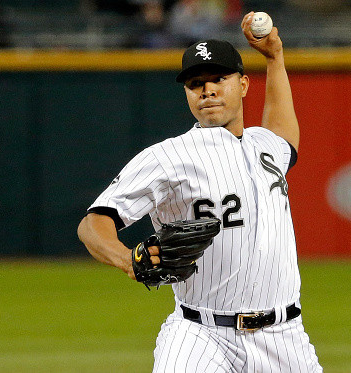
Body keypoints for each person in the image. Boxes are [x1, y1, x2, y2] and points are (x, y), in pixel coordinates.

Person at [78, 11, 322, 372]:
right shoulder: (167, 157)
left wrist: (275, 58)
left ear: (242, 85)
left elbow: (285, 134)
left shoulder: (265, 146)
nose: (207, 89)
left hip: (285, 337)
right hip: (201, 335)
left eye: (218, 79)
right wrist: (126, 259)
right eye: (196, 83)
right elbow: (93, 223)